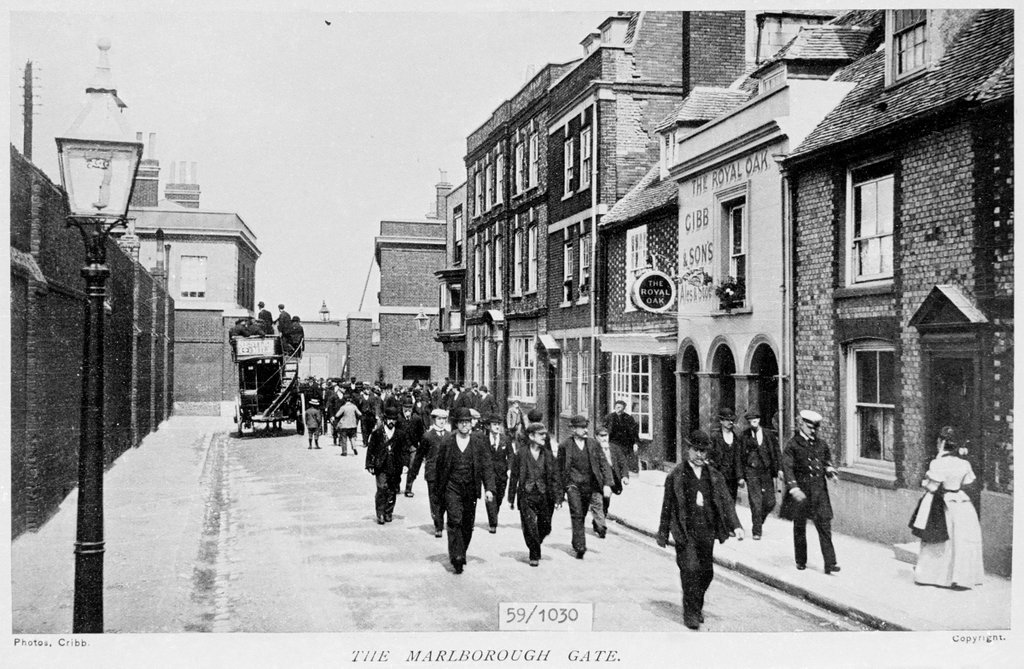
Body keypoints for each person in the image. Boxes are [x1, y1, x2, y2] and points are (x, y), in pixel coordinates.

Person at [657, 429, 744, 630]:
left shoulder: (714, 476)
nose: (700, 455)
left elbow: (726, 502)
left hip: (707, 532)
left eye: (703, 452)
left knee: (707, 573)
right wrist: (663, 533)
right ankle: (691, 613)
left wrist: (736, 525)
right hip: (685, 532)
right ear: (688, 450)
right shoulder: (676, 476)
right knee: (689, 570)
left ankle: (696, 604)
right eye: (696, 450)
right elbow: (667, 506)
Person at [912, 426, 983, 589]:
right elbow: (967, 482)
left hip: (943, 503)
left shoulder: (937, 463)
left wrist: (924, 483)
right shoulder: (964, 464)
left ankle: (935, 576)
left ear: (941, 443)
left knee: (940, 539)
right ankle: (960, 577)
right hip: (961, 502)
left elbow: (933, 487)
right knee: (961, 540)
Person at [434, 407, 496, 574]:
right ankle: (456, 556)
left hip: (470, 488)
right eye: (461, 422)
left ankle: (461, 550)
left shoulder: (479, 442)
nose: (464, 425)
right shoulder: (448, 442)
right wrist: (438, 490)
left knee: (468, 523)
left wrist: (489, 489)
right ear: (456, 424)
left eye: (467, 422)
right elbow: (439, 467)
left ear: (471, 424)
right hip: (452, 487)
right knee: (455, 520)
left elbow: (487, 467)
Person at [779, 410, 840, 574]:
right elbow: (788, 468)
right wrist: (793, 488)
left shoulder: (821, 444)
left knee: (825, 525)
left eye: (815, 428)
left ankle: (830, 563)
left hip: (819, 493)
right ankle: (800, 560)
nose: (813, 431)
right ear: (801, 424)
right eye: (809, 427)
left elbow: (826, 461)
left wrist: (830, 471)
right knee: (799, 527)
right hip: (801, 493)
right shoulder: (793, 445)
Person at [558, 414, 613, 559]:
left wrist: (607, 483)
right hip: (572, 485)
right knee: (576, 513)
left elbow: (603, 464)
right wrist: (558, 495)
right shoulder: (565, 446)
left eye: (585, 427)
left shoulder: (593, 444)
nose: (585, 430)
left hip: (590, 485)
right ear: (574, 429)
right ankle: (580, 546)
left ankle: (576, 539)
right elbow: (558, 471)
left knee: (581, 514)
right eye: (581, 428)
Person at [508, 423, 562, 567]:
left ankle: (535, 543)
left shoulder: (549, 455)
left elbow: (556, 477)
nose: (545, 437)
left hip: (545, 495)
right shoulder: (521, 453)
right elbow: (514, 476)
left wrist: (558, 498)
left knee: (546, 527)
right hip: (526, 494)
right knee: (530, 525)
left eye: (545, 434)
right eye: (541, 434)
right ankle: (534, 553)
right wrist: (511, 497)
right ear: (531, 436)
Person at [737, 408, 780, 540]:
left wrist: (779, 469)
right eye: (750, 421)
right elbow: (738, 457)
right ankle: (757, 531)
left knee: (770, 502)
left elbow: (777, 452)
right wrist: (740, 476)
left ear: (759, 420)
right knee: (756, 501)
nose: (753, 422)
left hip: (766, 471)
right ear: (749, 422)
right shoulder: (744, 436)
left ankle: (759, 520)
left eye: (755, 420)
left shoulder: (768, 434)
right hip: (751, 471)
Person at [365, 406, 409, 524]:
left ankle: (388, 512)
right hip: (381, 465)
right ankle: (380, 513)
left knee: (392, 489)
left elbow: (405, 450)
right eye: (389, 419)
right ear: (385, 419)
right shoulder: (377, 433)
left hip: (395, 466)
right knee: (381, 488)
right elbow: (371, 449)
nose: (391, 421)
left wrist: (405, 464)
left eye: (394, 419)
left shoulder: (400, 434)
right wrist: (369, 464)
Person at [416, 408, 450, 538]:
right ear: (434, 419)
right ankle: (438, 525)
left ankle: (442, 519)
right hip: (432, 473)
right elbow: (420, 456)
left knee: (445, 499)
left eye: (444, 419)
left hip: (447, 474)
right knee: (434, 499)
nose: (442, 421)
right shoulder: (427, 436)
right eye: (439, 419)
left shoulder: (449, 436)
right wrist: (412, 475)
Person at [482, 414, 514, 534]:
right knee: (490, 494)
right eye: (494, 425)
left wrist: (510, 468)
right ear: (489, 426)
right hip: (488, 472)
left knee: (499, 497)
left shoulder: (505, 439)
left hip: (502, 472)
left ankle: (494, 514)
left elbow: (511, 455)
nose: (497, 427)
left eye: (498, 425)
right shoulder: (483, 440)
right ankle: (492, 523)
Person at [710, 407, 743, 502]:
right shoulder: (715, 437)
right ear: (721, 421)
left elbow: (738, 459)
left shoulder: (736, 438)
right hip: (719, 475)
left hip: (732, 477)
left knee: (731, 502)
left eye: (732, 420)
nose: (730, 422)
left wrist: (740, 477)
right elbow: (709, 456)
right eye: (727, 420)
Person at [596, 426, 629, 519]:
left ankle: (601, 515)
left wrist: (625, 476)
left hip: (613, 477)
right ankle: (600, 518)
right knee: (604, 494)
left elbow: (623, 462)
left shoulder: (614, 448)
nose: (604, 438)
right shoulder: (593, 449)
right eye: (601, 436)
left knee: (606, 497)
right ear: (596, 437)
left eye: (606, 436)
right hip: (599, 478)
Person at [603, 399, 640, 473]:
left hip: (625, 443)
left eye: (621, 408)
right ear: (614, 407)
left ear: (624, 409)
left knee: (624, 460)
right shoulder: (609, 418)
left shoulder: (628, 418)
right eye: (617, 407)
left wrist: (636, 443)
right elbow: (604, 430)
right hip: (613, 441)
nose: (619, 410)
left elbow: (634, 432)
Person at [400, 398, 426, 497]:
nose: (407, 410)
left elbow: (421, 434)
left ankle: (408, 488)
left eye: (409, 408)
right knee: (397, 468)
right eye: (405, 408)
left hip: (413, 447)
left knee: (412, 468)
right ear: (402, 408)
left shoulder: (417, 419)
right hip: (400, 447)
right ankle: (396, 485)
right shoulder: (398, 418)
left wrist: (423, 448)